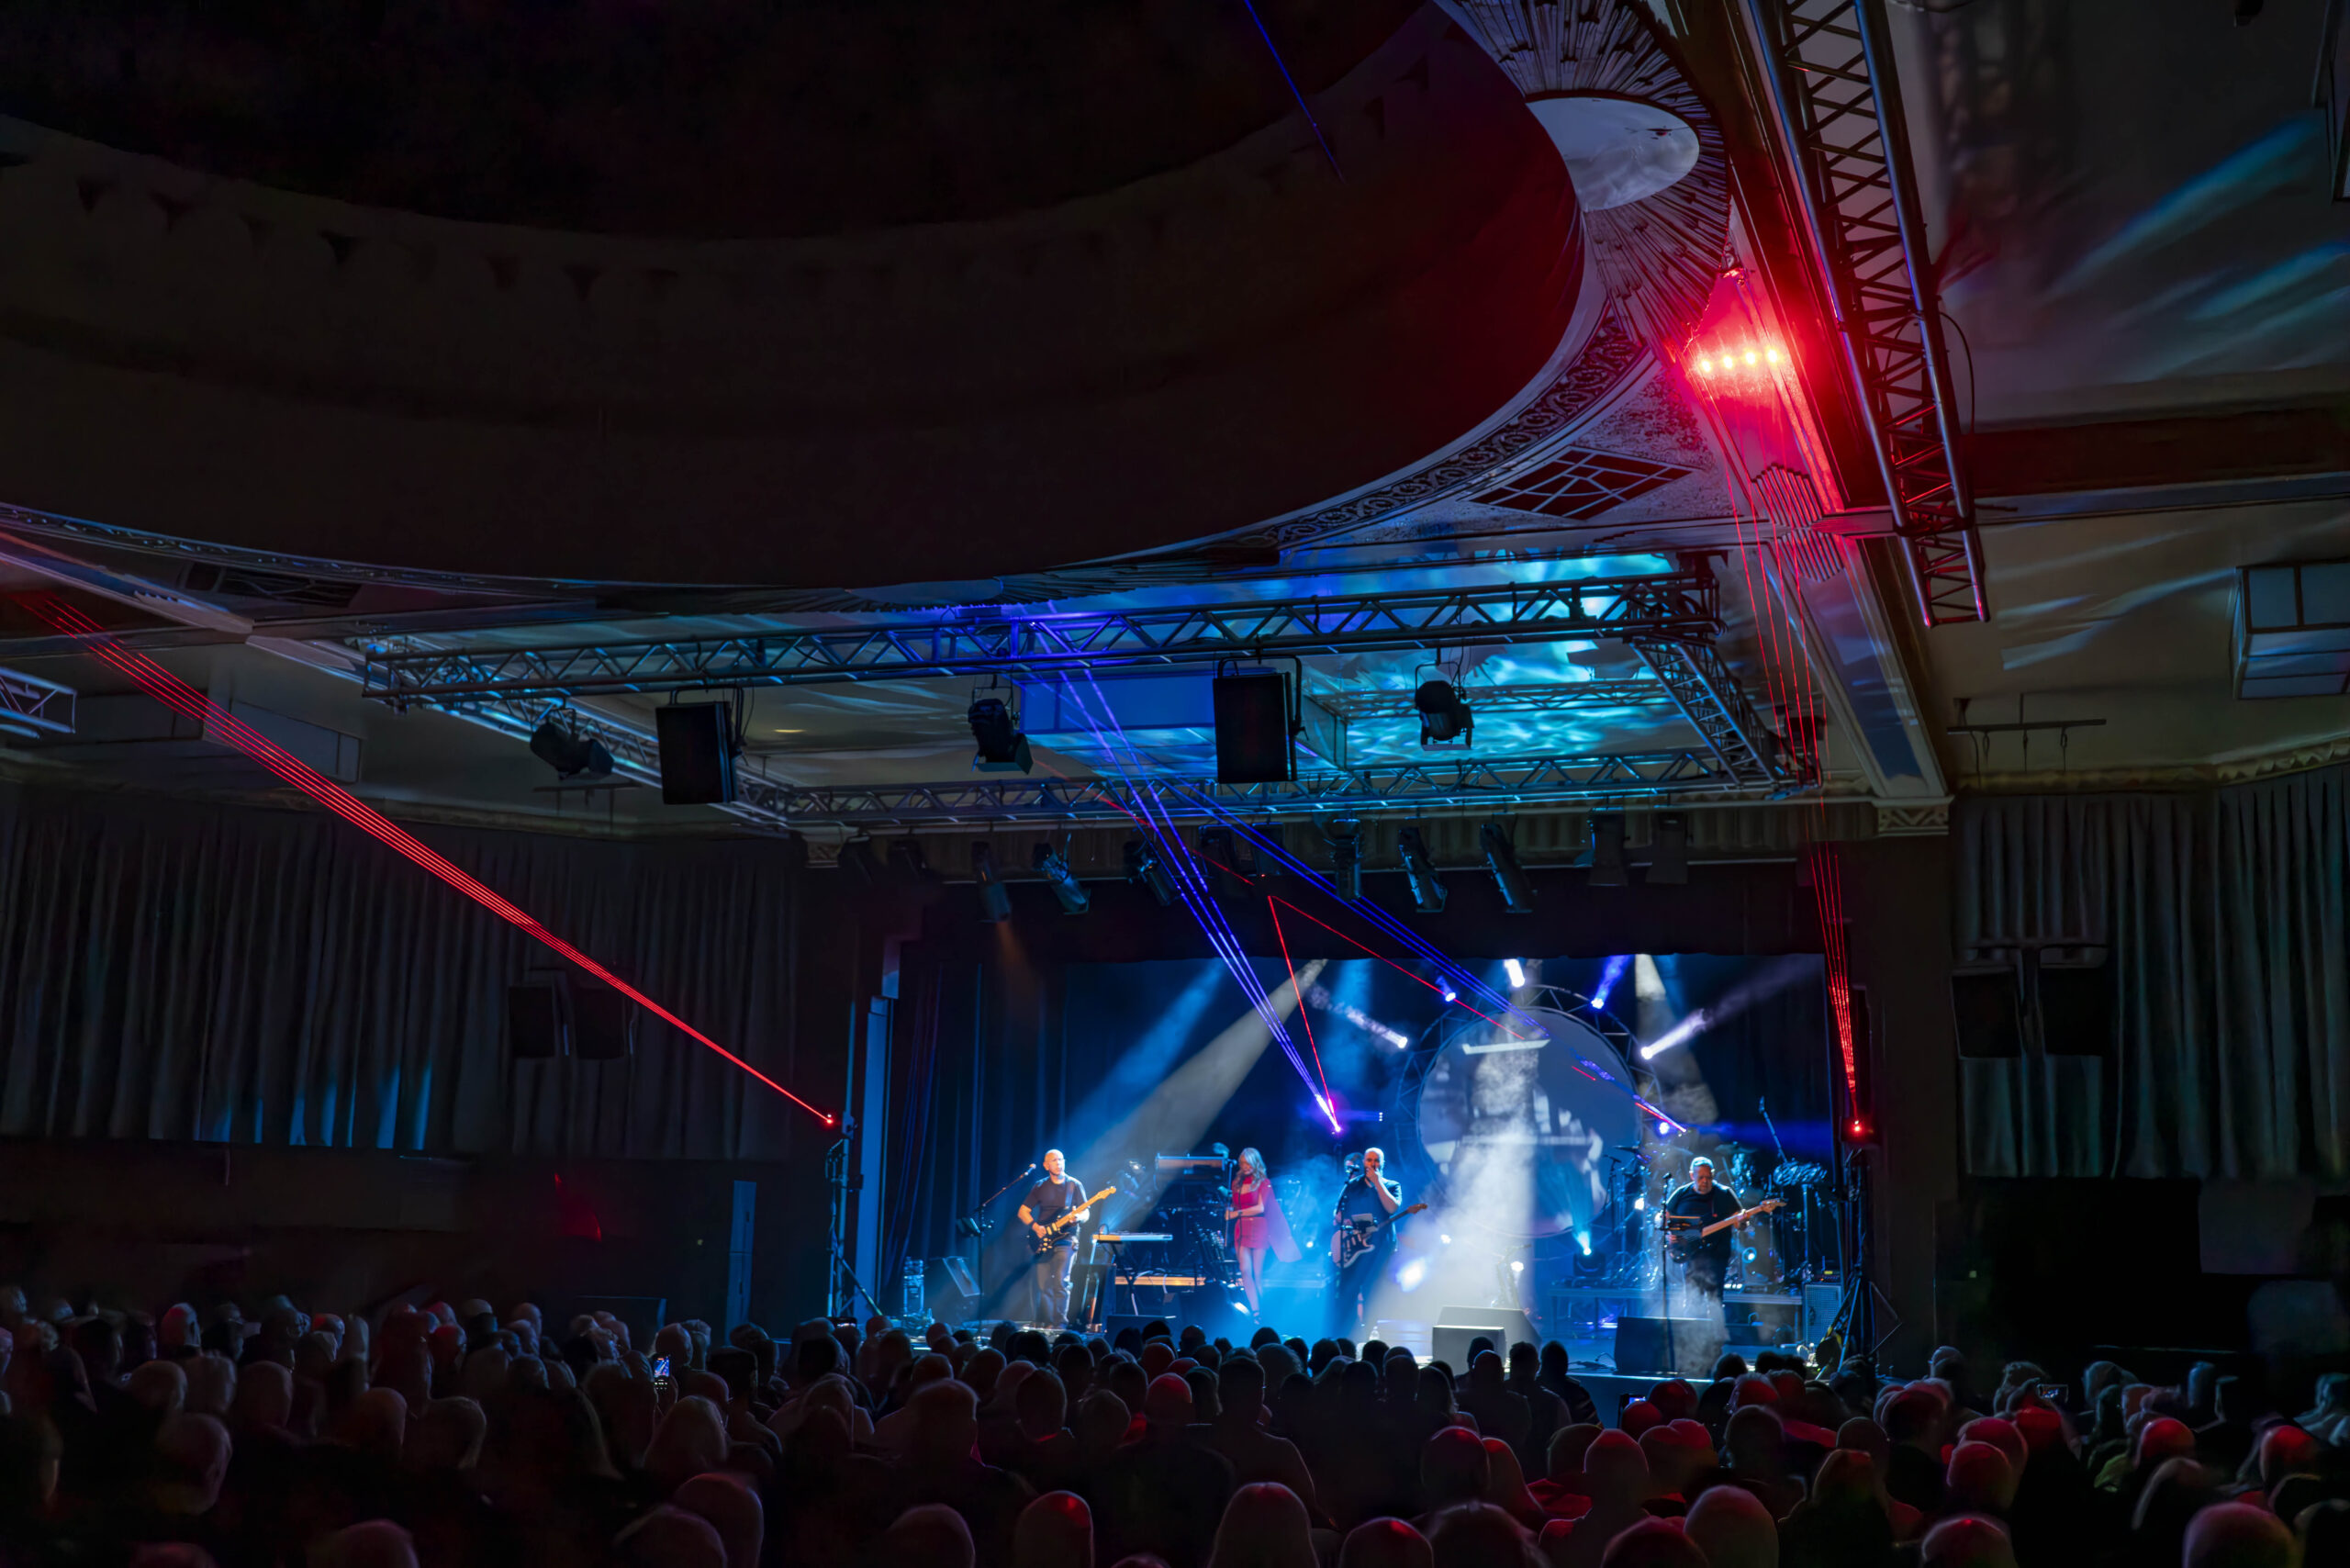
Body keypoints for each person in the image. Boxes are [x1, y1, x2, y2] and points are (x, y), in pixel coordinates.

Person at [1659, 1157, 1745, 1327]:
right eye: (1701, 1178)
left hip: (1717, 1252)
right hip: (1691, 1253)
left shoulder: (1724, 1194)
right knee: (1693, 1297)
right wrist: (1669, 1233)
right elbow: (1663, 1216)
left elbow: (1740, 1223)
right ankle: (1692, 1335)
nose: (1705, 1181)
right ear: (1692, 1176)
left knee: (1715, 1298)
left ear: (1713, 1175)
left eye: (1708, 1177)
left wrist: (1742, 1221)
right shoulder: (1681, 1194)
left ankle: (1716, 1334)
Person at [1017, 1151, 1094, 1328]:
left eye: (1061, 1159)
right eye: (1054, 1160)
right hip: (1043, 1239)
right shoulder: (1040, 1186)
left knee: (1061, 1281)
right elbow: (1023, 1211)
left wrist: (1078, 1218)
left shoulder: (1074, 1185)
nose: (1058, 1163)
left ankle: (1060, 1325)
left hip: (1066, 1238)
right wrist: (1036, 1227)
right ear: (1046, 1165)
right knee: (1043, 1285)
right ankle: (1048, 1324)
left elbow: (1086, 1212)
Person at [1331, 1148, 1403, 1337]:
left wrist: (1377, 1182)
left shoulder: (1392, 1185)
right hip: (1354, 1246)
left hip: (1380, 1248)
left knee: (1373, 1290)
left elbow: (1392, 1208)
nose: (1372, 1164)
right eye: (1369, 1160)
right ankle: (1347, 1333)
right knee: (1349, 1290)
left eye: (1376, 1160)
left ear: (1382, 1163)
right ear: (1364, 1162)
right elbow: (1338, 1214)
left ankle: (1370, 1332)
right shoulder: (1353, 1185)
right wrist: (1346, 1220)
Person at [1225, 1149, 1298, 1321]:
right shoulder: (1236, 1183)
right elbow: (1235, 1205)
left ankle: (1265, 1312)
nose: (1245, 1166)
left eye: (1249, 1163)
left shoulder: (1263, 1182)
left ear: (1256, 1163)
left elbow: (1260, 1208)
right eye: (1243, 1163)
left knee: (1258, 1274)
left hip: (1258, 1227)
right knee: (1245, 1271)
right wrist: (1230, 1211)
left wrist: (1236, 1213)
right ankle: (1255, 1311)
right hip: (1242, 1228)